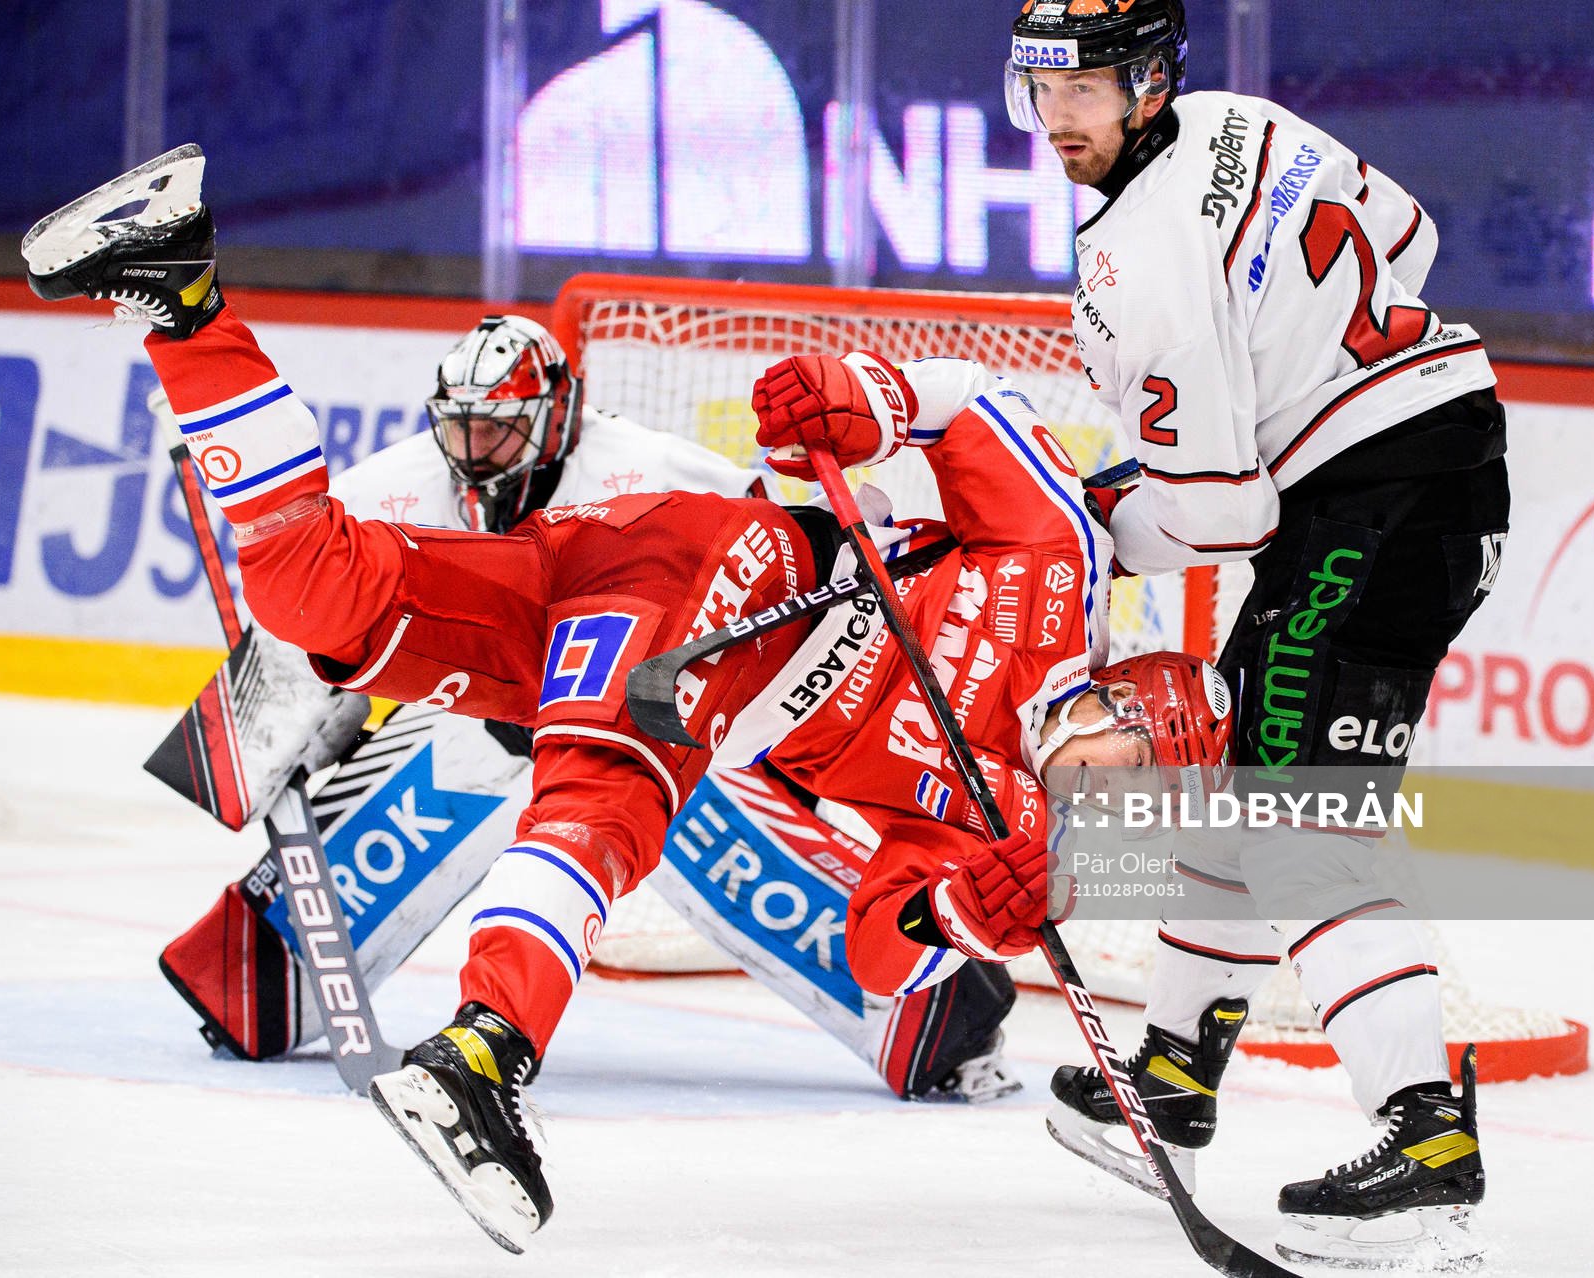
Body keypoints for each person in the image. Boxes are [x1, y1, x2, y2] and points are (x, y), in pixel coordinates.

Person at [21, 145, 1233, 1253]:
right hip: (730, 582)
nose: (1106, 793)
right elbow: (981, 418)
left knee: (314, 589)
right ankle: (481, 1057)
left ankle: (179, 295)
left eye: (1133, 802)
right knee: (608, 799)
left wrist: (963, 917)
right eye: (1133, 768)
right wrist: (868, 398)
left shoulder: (1000, 825)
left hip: (612, 617)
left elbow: (877, 939)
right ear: (1131, 700)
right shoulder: (1058, 572)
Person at [151, 308, 1022, 1106]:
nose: (477, 448)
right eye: (462, 426)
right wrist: (282, 741)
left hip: (671, 712)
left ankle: (936, 1018)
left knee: (650, 806)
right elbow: (320, 623)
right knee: (473, 762)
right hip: (494, 701)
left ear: (555, 417)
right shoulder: (396, 482)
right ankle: (257, 970)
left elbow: (775, 624)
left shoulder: (661, 472)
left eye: (498, 427)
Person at [1005, 1, 1508, 1267]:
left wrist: (1094, 522)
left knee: (1299, 816)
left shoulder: (1132, 257)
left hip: (1374, 500)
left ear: (1150, 82)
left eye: (1087, 90)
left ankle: (1426, 1136)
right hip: (1426, 459)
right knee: (1243, 787)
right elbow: (1410, 235)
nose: (1060, 118)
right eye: (1041, 90)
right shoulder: (1247, 122)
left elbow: (1226, 514)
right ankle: (1172, 1072)